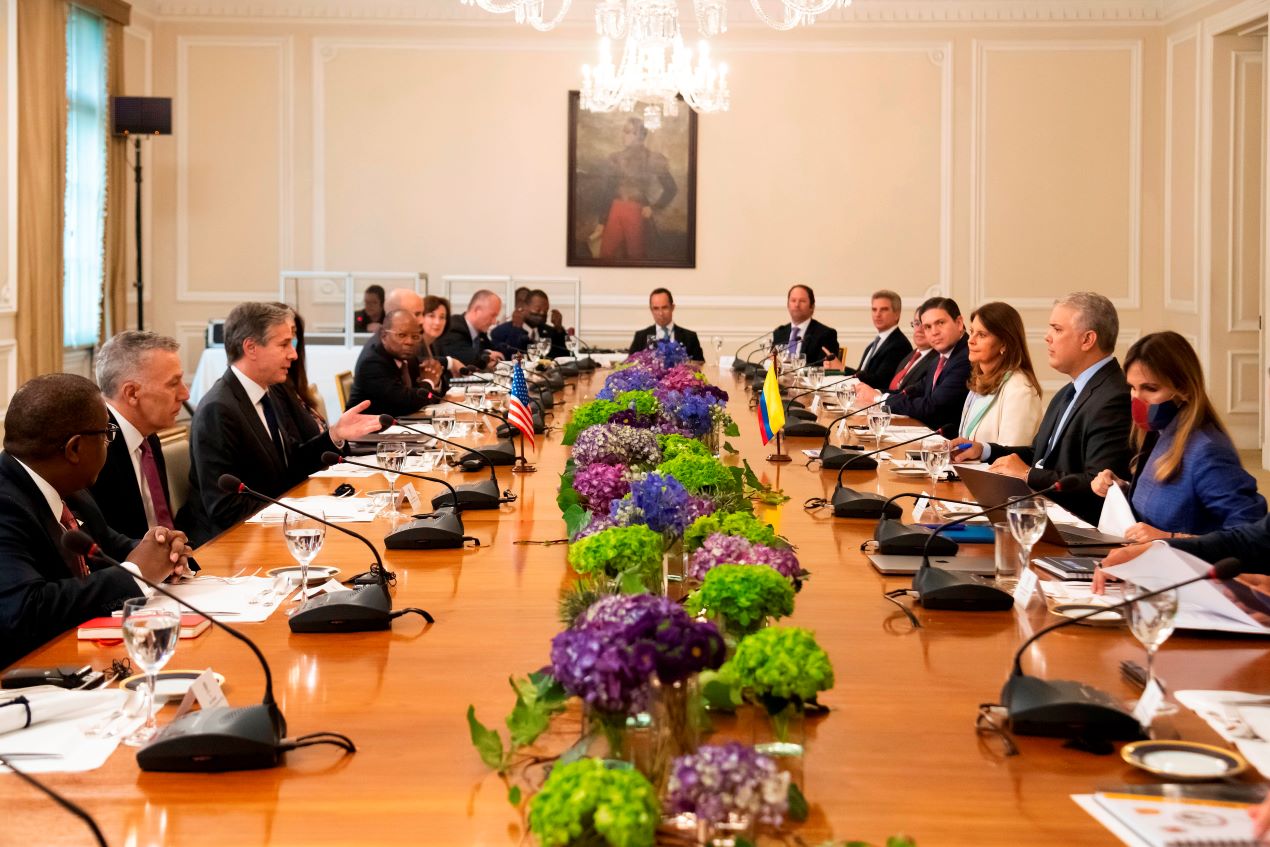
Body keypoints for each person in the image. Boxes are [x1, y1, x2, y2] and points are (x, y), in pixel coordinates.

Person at [0, 374, 191, 668]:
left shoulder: (71, 490)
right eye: (106, 434)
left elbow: (109, 548)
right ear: (74, 449)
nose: (108, 443)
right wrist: (136, 572)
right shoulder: (6, 505)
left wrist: (164, 552)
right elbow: (25, 611)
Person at [178, 302, 383, 545]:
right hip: (231, 545)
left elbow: (289, 463)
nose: (294, 354)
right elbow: (225, 508)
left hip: (272, 528)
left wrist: (335, 435)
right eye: (284, 344)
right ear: (251, 348)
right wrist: (299, 512)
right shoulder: (219, 410)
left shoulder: (269, 392)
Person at [955, 292, 1132, 526]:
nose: (1047, 337)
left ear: (1087, 340)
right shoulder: (1069, 391)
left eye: (1057, 329)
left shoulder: (1113, 397)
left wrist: (1028, 474)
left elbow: (1097, 484)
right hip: (1043, 514)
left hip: (1078, 529)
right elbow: (1038, 455)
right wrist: (984, 450)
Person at [1088, 332, 1264, 541]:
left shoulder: (1208, 452)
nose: (1137, 398)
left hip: (1185, 569)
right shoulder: (1158, 433)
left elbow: (1252, 535)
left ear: (1184, 389)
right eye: (1132, 388)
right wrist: (1120, 489)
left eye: (1150, 388)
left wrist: (1170, 538)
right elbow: (1162, 503)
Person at [90, 331, 190, 538]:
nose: (185, 394)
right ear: (132, 393)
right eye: (173, 383)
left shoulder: (147, 434)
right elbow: (105, 540)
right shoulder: (96, 448)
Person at [857, 296, 969, 432]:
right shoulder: (939, 360)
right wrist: (875, 393)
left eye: (940, 323)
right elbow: (911, 391)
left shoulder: (966, 357)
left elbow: (933, 408)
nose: (934, 332)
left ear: (958, 323)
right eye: (927, 327)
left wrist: (879, 398)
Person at [953, 301, 1042, 445]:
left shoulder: (1019, 389)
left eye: (981, 335)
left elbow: (1012, 456)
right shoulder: (980, 380)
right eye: (972, 332)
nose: (970, 340)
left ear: (1004, 343)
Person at [591, 116, 677, 260]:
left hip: (636, 211)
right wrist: (601, 222)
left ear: (639, 135)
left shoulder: (652, 158)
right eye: (623, 131)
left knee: (636, 256)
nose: (622, 135)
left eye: (627, 131)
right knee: (605, 254)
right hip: (615, 209)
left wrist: (654, 207)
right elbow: (608, 192)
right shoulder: (615, 158)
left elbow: (671, 188)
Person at [348, 309, 438, 417]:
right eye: (401, 335)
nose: (409, 342)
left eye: (415, 337)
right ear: (384, 336)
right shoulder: (372, 363)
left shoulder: (408, 359)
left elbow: (421, 396)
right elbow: (405, 402)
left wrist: (435, 380)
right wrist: (429, 381)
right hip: (367, 431)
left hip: (396, 426)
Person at [839, 290, 912, 391]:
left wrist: (842, 368)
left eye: (884, 309)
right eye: (874, 309)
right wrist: (841, 368)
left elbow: (879, 382)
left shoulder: (899, 345)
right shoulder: (873, 344)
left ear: (897, 314)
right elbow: (861, 373)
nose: (877, 314)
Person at [387, 288, 462, 379]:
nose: (437, 322)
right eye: (431, 316)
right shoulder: (413, 343)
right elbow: (419, 364)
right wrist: (450, 362)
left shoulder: (436, 344)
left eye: (442, 317)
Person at [771, 284, 839, 367]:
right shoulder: (779, 332)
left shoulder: (826, 334)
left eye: (802, 301)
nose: (796, 305)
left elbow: (823, 367)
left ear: (812, 306)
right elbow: (772, 362)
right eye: (793, 300)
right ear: (788, 305)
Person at [628, 287, 704, 361]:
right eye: (656, 308)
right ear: (651, 310)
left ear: (672, 307)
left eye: (664, 308)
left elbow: (700, 367)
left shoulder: (690, 337)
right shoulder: (641, 337)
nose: (661, 313)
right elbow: (629, 366)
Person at [491, 289, 569, 358]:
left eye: (545, 311)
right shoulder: (500, 331)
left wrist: (559, 330)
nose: (542, 313)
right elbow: (507, 357)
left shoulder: (549, 331)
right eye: (537, 310)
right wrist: (517, 329)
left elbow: (565, 357)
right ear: (524, 307)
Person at [440, 290, 505, 371]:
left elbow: (496, 355)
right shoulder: (454, 327)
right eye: (492, 315)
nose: (494, 321)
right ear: (477, 310)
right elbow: (469, 360)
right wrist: (488, 355)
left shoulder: (480, 333)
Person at [885, 306, 937, 393]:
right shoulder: (911, 355)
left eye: (925, 325)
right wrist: (876, 392)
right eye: (917, 323)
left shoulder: (937, 361)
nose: (919, 330)